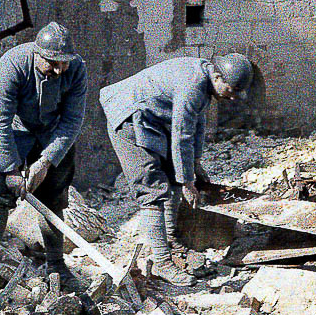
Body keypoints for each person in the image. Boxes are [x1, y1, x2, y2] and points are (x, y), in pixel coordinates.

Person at [100, 53, 253, 285]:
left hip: (152, 118)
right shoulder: (193, 84)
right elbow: (181, 134)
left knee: (173, 175)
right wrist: (188, 182)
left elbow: (196, 125)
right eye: (231, 90)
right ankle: (162, 263)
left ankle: (170, 238)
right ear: (219, 76)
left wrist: (194, 166)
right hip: (128, 117)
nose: (232, 98)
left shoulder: (205, 81)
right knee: (152, 191)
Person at [0, 22, 87, 289]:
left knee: (53, 198)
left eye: (65, 63)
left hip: (51, 132)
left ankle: (56, 265)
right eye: (52, 63)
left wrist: (46, 161)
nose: (60, 70)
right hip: (11, 128)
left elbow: (72, 121)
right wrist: (11, 170)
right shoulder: (13, 64)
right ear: (37, 55)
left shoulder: (77, 69)